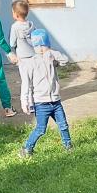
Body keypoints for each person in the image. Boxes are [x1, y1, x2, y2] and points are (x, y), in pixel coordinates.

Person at [19, 30, 71, 158]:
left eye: (44, 45)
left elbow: (65, 60)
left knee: (63, 125)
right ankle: (27, 148)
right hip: (41, 103)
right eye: (39, 46)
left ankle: (68, 146)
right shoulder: (30, 63)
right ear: (34, 46)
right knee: (41, 129)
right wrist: (24, 101)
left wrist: (52, 52)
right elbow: (26, 84)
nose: (42, 49)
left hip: (56, 101)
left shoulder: (51, 58)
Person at [7, 0, 36, 114]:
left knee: (25, 81)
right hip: (33, 56)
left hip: (22, 59)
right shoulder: (31, 25)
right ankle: (33, 103)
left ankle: (25, 104)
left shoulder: (15, 27)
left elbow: (12, 43)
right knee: (33, 81)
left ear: (15, 14)